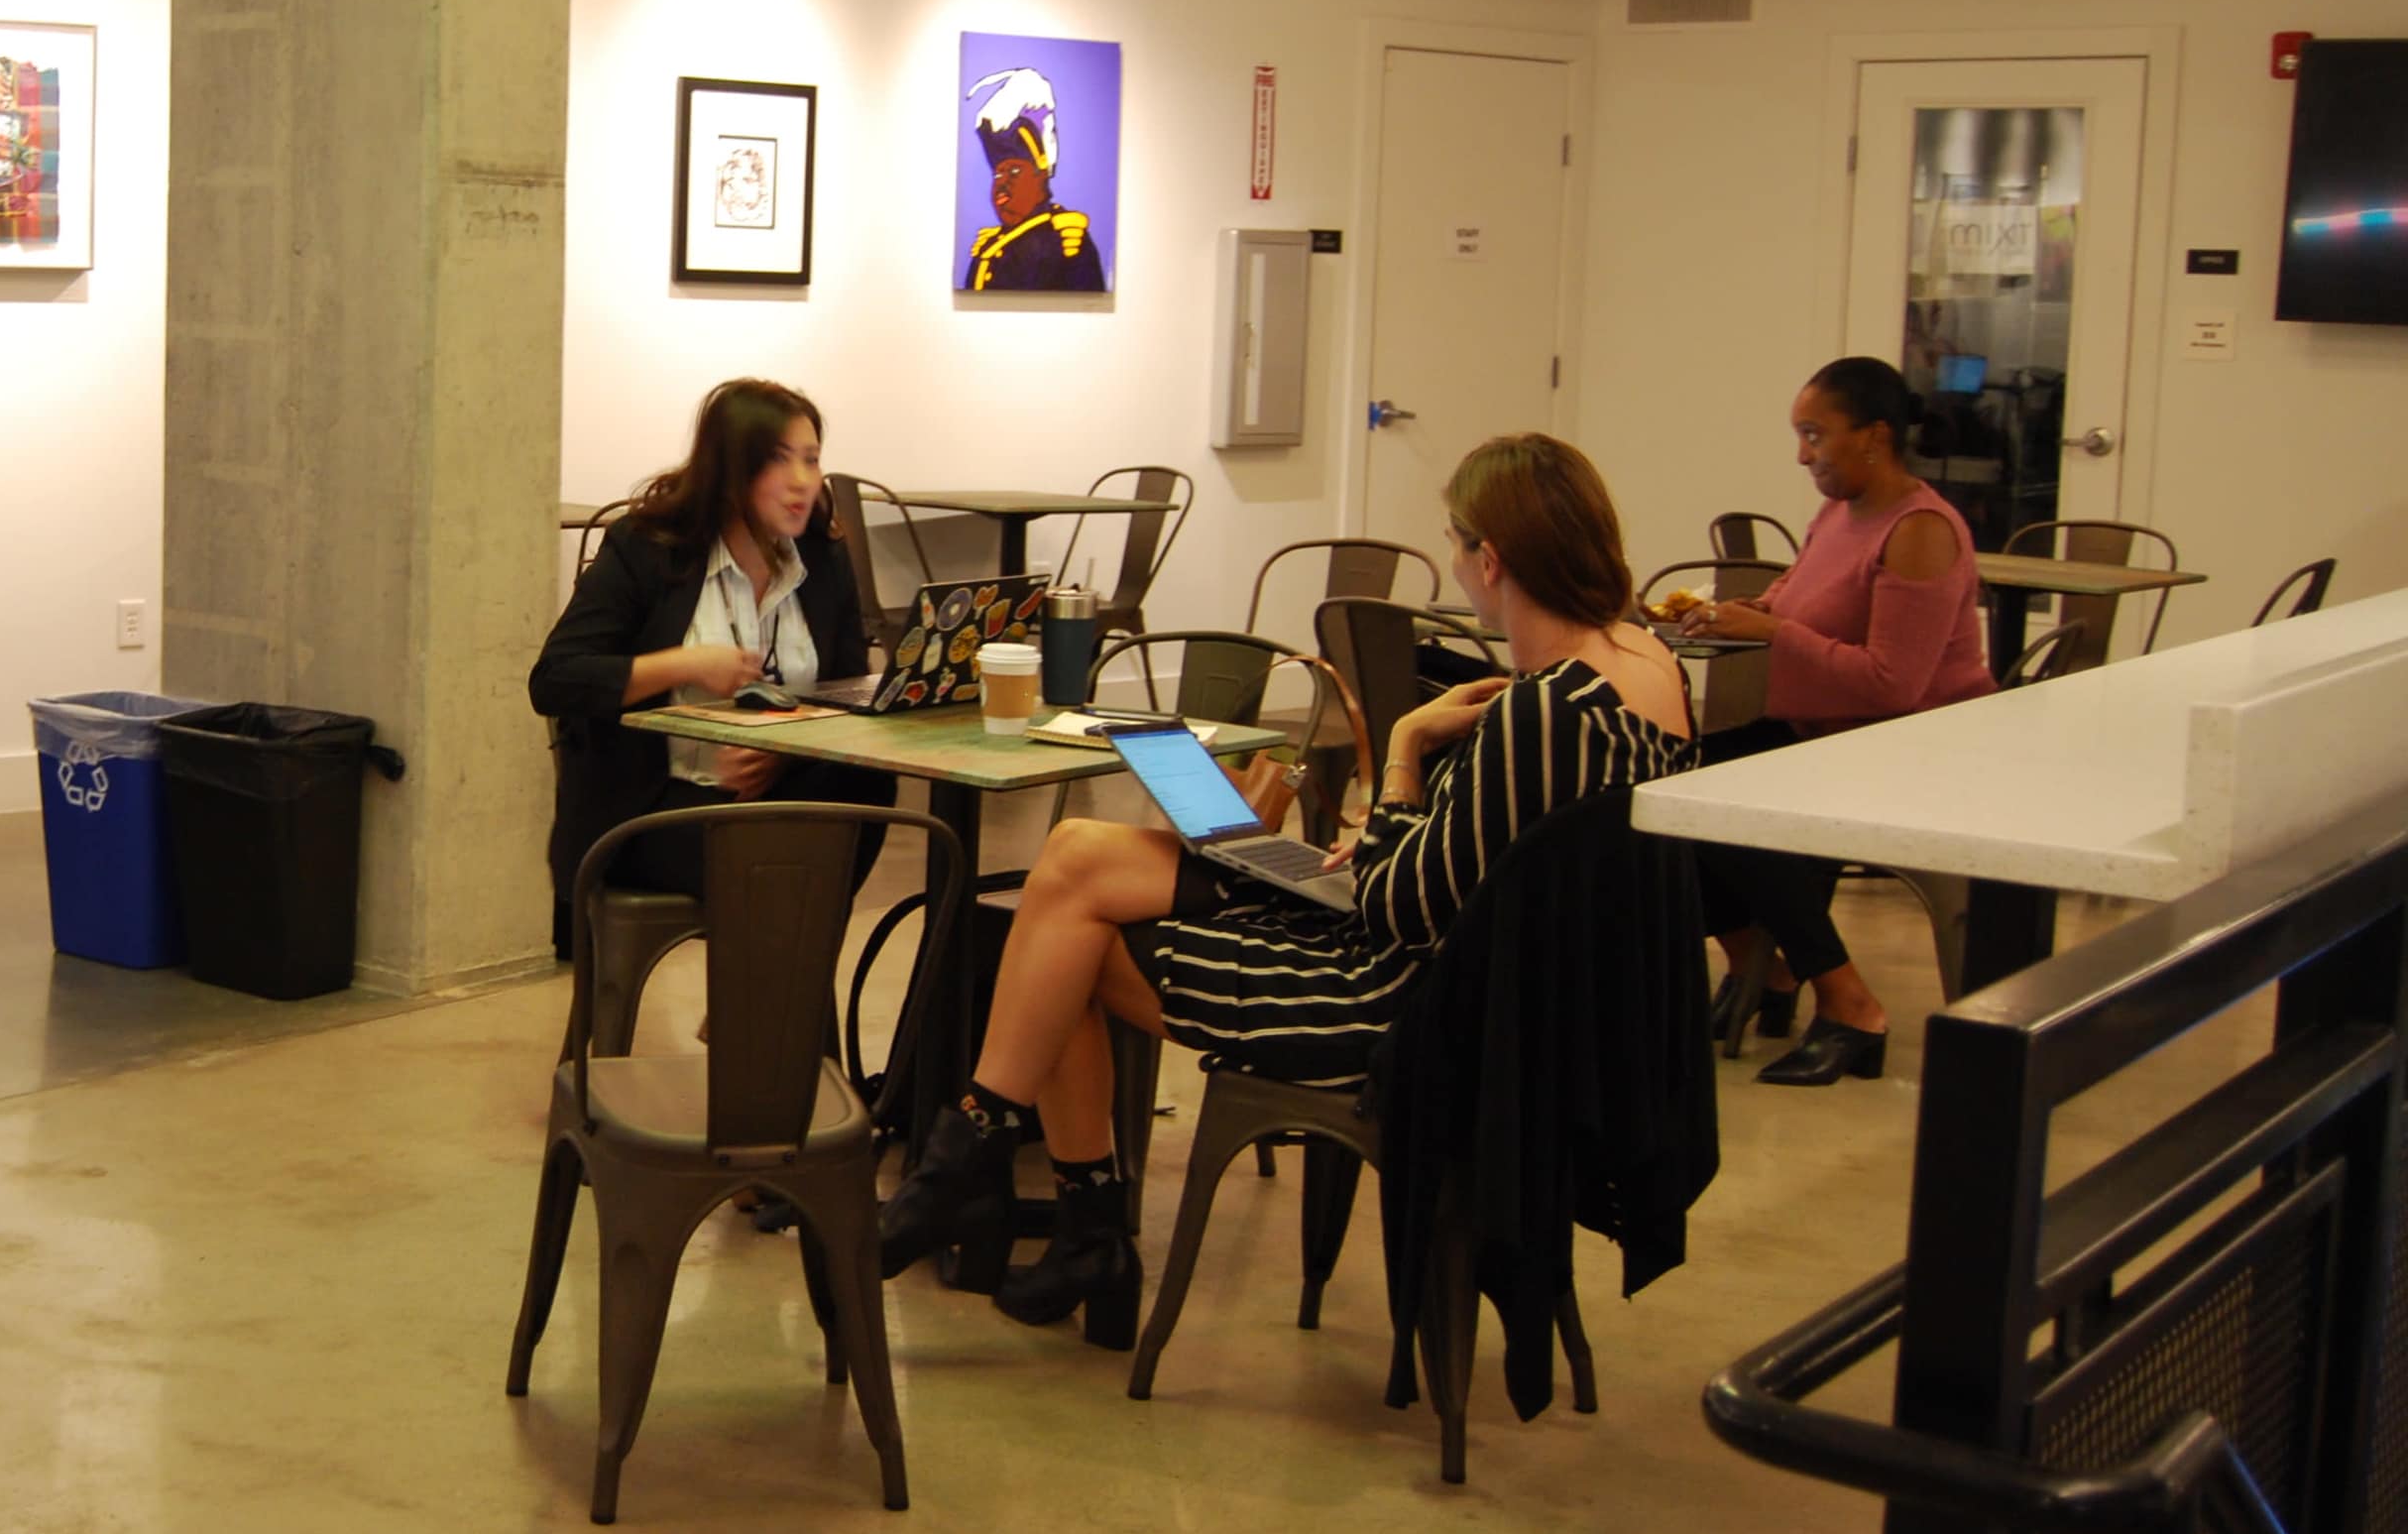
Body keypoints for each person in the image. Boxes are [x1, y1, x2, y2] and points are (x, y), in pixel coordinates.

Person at [880, 432, 1695, 1348]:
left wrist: (1402, 753)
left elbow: (1399, 910)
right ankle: (1022, 1190)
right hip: (1514, 997)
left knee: (1071, 933)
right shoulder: (1648, 669)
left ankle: (1023, 1190)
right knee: (1073, 863)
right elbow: (1488, 869)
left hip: (1410, 1009)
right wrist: (1384, 838)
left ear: (1490, 559)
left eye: (1456, 546)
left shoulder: (1541, 714)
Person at [1669, 356, 1995, 1085]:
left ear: (1874, 436)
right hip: (1825, 738)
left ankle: (1851, 1004)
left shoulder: (1919, 530)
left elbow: (1893, 685)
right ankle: (1764, 969)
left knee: (1736, 805)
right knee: (1666, 780)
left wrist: (1773, 632)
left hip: (1911, 752)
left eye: (1815, 435)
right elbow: (1794, 599)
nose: (1802, 455)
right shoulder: (1838, 512)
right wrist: (1748, 612)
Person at [527, 379, 901, 957]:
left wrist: (785, 752)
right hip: (654, 805)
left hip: (774, 794)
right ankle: (780, 993)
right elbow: (555, 680)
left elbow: (845, 691)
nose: (802, 480)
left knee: (865, 787)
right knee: (784, 857)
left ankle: (778, 986)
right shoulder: (648, 548)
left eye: (811, 459)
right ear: (731, 470)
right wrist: (686, 664)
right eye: (779, 460)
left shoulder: (822, 556)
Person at [960, 65, 1106, 294]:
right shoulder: (988, 246)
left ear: (1041, 175)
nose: (1001, 183)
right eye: (997, 174)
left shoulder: (1066, 240)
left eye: (1014, 171)